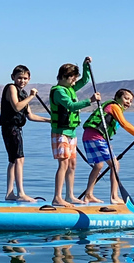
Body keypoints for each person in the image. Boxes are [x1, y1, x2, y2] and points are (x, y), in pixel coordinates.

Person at [50, 57, 101, 207]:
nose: (74, 83)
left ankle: (70, 195)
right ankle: (57, 197)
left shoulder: (69, 88)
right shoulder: (59, 91)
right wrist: (90, 100)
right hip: (61, 132)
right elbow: (71, 105)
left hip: (71, 132)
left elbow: (85, 80)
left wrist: (86, 66)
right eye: (73, 80)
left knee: (72, 164)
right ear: (65, 77)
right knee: (63, 164)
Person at [82, 88, 134, 204]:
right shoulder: (114, 107)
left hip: (89, 136)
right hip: (96, 137)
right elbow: (125, 124)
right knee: (115, 164)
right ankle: (114, 197)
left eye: (131, 101)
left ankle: (88, 195)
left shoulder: (113, 107)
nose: (128, 102)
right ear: (117, 98)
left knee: (98, 165)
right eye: (126, 98)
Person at [0, 65, 50, 202]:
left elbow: (30, 116)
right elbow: (17, 107)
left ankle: (10, 193)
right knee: (18, 159)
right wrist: (32, 96)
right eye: (20, 78)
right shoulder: (11, 88)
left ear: (29, 79)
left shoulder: (24, 94)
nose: (22, 81)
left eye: (25, 78)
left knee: (13, 161)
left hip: (17, 128)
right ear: (13, 77)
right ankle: (21, 193)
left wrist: (50, 121)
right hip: (10, 128)